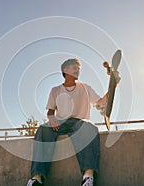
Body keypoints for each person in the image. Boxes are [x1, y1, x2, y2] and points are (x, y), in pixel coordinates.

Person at [27, 58, 120, 186]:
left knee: (90, 127)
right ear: (65, 70)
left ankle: (88, 177)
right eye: (74, 67)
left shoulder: (85, 88)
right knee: (43, 129)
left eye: (78, 68)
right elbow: (50, 112)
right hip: (60, 122)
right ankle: (36, 178)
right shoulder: (55, 90)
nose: (77, 70)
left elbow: (102, 102)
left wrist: (114, 84)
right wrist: (52, 119)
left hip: (78, 122)